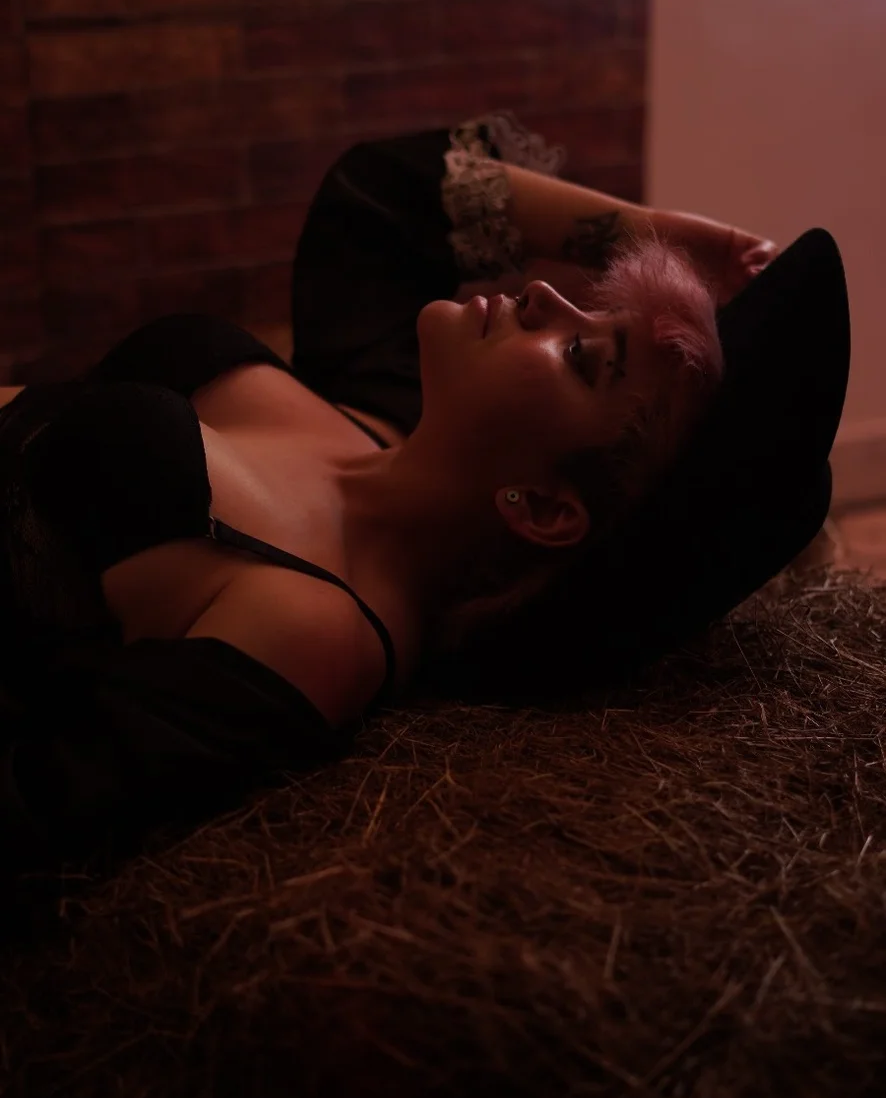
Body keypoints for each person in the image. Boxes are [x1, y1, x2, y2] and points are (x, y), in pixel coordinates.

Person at [0, 113, 850, 880]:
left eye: (583, 356)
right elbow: (384, 192)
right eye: (596, 308)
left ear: (545, 508)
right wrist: (659, 236)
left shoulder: (316, 629)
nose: (548, 295)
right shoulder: (387, 408)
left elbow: (37, 802)